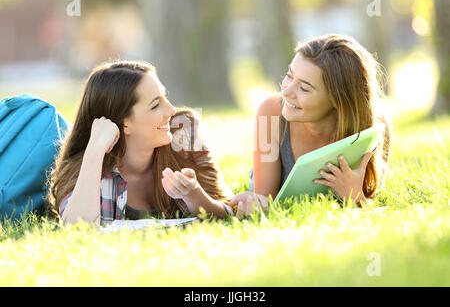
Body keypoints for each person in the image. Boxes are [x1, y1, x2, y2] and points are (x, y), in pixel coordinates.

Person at [48, 60, 233, 225]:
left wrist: (193, 194)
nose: (170, 110)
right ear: (124, 123)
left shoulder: (184, 130)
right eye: (155, 105)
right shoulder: (89, 168)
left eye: (165, 97)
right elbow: (76, 230)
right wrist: (95, 152)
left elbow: (228, 212)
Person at [230, 34, 391, 218]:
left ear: (337, 100)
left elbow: (370, 209)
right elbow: (264, 204)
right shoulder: (270, 113)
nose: (287, 91)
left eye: (304, 88)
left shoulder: (372, 125)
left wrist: (355, 198)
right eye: (289, 76)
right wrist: (256, 205)